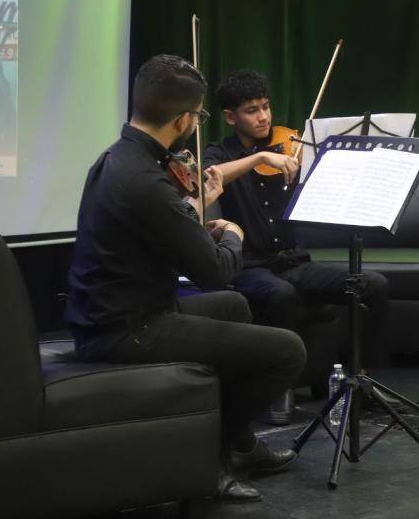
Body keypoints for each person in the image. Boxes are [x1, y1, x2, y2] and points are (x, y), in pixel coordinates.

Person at [64, 55, 306, 502]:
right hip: (125, 328)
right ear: (181, 120)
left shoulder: (119, 158)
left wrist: (196, 214)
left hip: (115, 308)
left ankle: (238, 442)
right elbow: (215, 271)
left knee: (235, 307)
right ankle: (211, 453)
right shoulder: (145, 180)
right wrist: (232, 233)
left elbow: (161, 233)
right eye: (197, 116)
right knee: (286, 351)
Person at [203, 69, 390, 423]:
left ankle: (360, 381)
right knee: (280, 295)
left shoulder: (289, 147)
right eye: (251, 110)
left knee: (373, 285)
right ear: (230, 117)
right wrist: (260, 158)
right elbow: (208, 177)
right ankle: (279, 388)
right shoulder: (220, 154)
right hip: (250, 266)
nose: (263, 117)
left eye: (266, 107)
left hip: (292, 261)